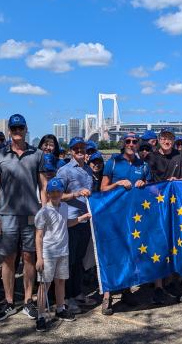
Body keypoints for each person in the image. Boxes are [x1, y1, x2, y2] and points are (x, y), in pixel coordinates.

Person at [0, 114, 47, 321]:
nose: (17, 131)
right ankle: (8, 302)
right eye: (13, 128)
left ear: (25, 129)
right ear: (9, 130)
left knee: (29, 256)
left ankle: (28, 301)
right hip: (6, 214)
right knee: (8, 258)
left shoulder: (37, 154)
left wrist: (45, 210)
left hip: (32, 214)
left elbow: (43, 185)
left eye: (20, 128)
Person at [100, 132, 151, 314]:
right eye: (128, 141)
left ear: (138, 144)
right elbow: (102, 189)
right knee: (112, 254)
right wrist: (118, 184)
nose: (131, 144)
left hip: (134, 217)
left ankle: (127, 290)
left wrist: (143, 183)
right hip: (114, 216)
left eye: (134, 141)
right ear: (123, 143)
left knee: (131, 253)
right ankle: (107, 296)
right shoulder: (112, 162)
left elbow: (151, 192)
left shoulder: (143, 165)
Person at [55, 137, 97, 312]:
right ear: (71, 151)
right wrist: (75, 193)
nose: (80, 151)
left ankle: (78, 292)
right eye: (76, 148)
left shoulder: (88, 170)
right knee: (69, 261)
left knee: (79, 260)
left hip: (85, 220)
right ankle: (66, 297)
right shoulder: (64, 171)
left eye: (83, 148)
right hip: (70, 221)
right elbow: (56, 196)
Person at [35, 177, 78, 331]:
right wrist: (39, 258)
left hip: (63, 251)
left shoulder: (65, 206)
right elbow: (38, 235)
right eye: (51, 192)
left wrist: (80, 219)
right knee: (44, 285)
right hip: (48, 252)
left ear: (62, 192)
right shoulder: (44, 211)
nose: (55, 194)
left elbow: (66, 223)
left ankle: (60, 309)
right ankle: (40, 315)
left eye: (58, 191)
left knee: (60, 281)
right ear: (47, 194)